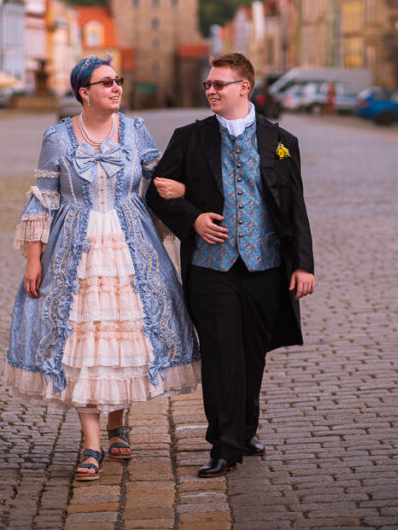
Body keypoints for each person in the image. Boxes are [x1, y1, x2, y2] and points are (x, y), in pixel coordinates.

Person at [4, 55, 200, 482]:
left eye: (118, 81)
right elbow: (44, 198)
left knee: (125, 333)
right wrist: (34, 259)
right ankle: (92, 444)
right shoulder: (57, 137)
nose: (116, 88)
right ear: (83, 92)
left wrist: (186, 191)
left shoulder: (135, 130)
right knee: (83, 340)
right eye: (106, 82)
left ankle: (117, 424)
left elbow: (161, 179)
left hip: (131, 242)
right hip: (75, 246)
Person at [146, 52, 315, 478]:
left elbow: (295, 208)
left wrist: (303, 266)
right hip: (211, 267)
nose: (210, 90)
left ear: (244, 87)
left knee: (253, 351)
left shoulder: (281, 140)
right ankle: (224, 445)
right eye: (208, 84)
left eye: (219, 84)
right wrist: (194, 218)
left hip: (266, 264)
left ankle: (246, 428)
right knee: (222, 354)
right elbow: (155, 195)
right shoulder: (190, 138)